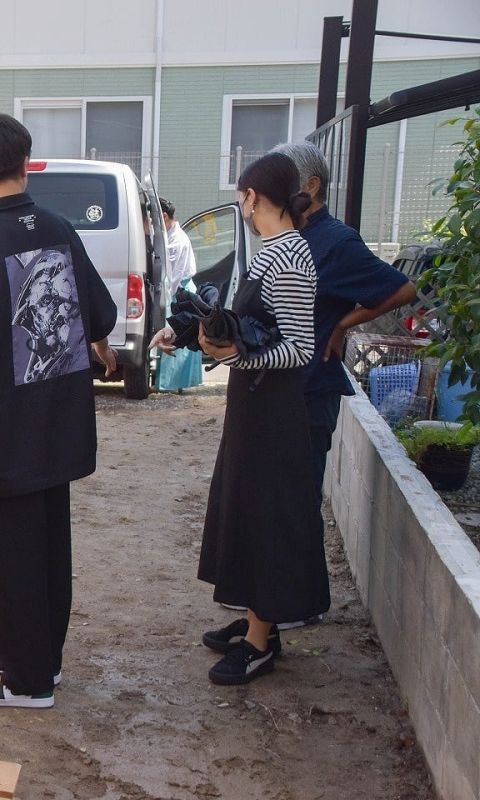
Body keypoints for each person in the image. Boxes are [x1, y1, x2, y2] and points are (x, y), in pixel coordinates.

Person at [0, 114, 118, 708]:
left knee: (7, 560)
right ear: (25, 162)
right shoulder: (60, 228)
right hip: (56, 422)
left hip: (1, 431)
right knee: (46, 549)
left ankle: (28, 680)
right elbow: (101, 313)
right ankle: (44, 662)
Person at [176, 152, 330, 685]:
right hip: (255, 406)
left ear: (252, 197)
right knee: (247, 510)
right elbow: (256, 325)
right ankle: (257, 622)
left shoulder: (288, 256)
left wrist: (233, 357)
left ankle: (262, 644)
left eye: (240, 196)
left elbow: (299, 348)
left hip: (274, 413)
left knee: (266, 519)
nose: (239, 204)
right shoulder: (275, 249)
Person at [268, 142, 416, 630]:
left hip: (312, 387)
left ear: (310, 187)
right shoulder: (289, 235)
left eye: (284, 180)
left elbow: (400, 287)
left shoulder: (336, 241)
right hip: (283, 384)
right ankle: (274, 599)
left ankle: (300, 605)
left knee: (299, 497)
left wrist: (343, 323)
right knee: (280, 497)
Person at [155, 197, 204, 392]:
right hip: (176, 289)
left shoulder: (178, 240)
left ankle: (174, 383)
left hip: (180, 291)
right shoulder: (171, 236)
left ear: (164, 216)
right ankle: (172, 383)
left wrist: (168, 296)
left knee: (177, 331)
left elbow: (176, 274)